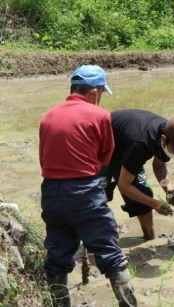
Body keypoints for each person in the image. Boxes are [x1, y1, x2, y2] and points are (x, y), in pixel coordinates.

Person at [39, 65, 137, 307]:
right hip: (85, 194)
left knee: (57, 258)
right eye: (102, 92)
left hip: (51, 193)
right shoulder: (101, 116)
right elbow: (104, 158)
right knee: (111, 255)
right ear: (94, 92)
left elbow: (44, 159)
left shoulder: (48, 115)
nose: (101, 97)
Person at [101, 109, 174, 240]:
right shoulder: (141, 143)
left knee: (143, 195)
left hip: (126, 146)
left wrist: (169, 189)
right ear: (163, 139)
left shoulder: (169, 133)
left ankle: (149, 239)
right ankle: (97, 245)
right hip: (101, 148)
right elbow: (124, 185)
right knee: (98, 198)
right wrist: (155, 204)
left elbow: (159, 166)